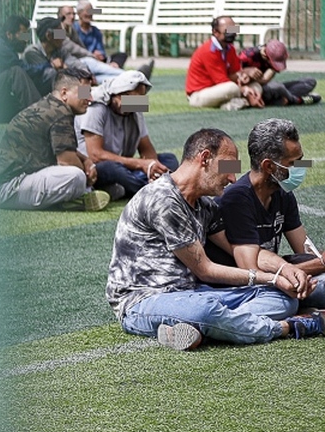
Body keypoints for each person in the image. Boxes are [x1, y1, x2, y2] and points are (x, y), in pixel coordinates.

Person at [105, 127, 322, 351]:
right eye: (228, 167)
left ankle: (204, 329)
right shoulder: (162, 199)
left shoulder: (205, 206)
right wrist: (274, 278)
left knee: (284, 298)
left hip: (192, 294)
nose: (232, 178)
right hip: (143, 300)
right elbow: (205, 270)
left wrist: (284, 270)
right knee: (205, 311)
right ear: (205, 159)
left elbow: (241, 249)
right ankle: (292, 326)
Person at [207, 118, 325, 310]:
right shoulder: (236, 198)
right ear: (269, 166)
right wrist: (317, 265)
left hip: (275, 276)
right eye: (294, 163)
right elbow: (250, 270)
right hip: (243, 289)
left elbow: (304, 252)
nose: (301, 168)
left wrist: (315, 264)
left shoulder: (282, 194)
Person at [0, 66, 110, 211]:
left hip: (5, 187)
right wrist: (87, 178)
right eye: (85, 93)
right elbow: (67, 160)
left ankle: (70, 199)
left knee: (84, 174)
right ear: (64, 93)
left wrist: (85, 160)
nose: (90, 98)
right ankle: (80, 196)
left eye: (90, 92)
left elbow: (62, 148)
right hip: (9, 190)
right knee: (76, 176)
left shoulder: (51, 105)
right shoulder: (62, 112)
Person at [75, 70, 179, 199]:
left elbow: (146, 148)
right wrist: (139, 164)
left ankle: (138, 186)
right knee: (114, 169)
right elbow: (96, 155)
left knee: (169, 159)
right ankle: (153, 188)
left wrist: (152, 167)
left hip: (123, 165)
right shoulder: (96, 108)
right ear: (118, 94)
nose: (135, 104)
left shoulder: (135, 108)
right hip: (94, 168)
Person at [185, 16, 264, 110]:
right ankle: (242, 101)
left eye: (234, 30)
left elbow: (234, 73)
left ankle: (234, 103)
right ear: (215, 32)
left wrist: (243, 75)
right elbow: (221, 81)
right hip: (199, 94)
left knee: (256, 86)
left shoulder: (230, 49)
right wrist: (245, 90)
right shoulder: (208, 51)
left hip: (219, 89)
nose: (233, 34)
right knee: (232, 88)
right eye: (228, 31)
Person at [22, 17, 126, 85]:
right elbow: (52, 77)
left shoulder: (59, 49)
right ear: (49, 36)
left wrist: (87, 76)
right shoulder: (32, 53)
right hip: (55, 94)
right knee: (96, 95)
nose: (63, 37)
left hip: (74, 83)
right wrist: (75, 75)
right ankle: (134, 99)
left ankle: (132, 80)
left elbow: (75, 62)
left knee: (106, 84)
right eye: (60, 34)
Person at [238, 39, 321, 107]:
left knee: (310, 81)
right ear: (265, 55)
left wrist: (263, 76)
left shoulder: (272, 56)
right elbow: (235, 75)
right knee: (277, 87)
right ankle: (296, 100)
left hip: (267, 86)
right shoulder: (247, 55)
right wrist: (248, 73)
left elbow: (265, 79)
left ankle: (280, 98)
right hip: (253, 88)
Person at [73, 0, 147, 72]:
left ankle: (113, 66)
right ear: (79, 13)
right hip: (85, 59)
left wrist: (100, 55)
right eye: (88, 11)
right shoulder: (73, 30)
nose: (90, 13)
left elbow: (101, 50)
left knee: (121, 55)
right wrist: (91, 55)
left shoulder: (96, 31)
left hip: (99, 60)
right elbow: (74, 49)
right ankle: (132, 74)